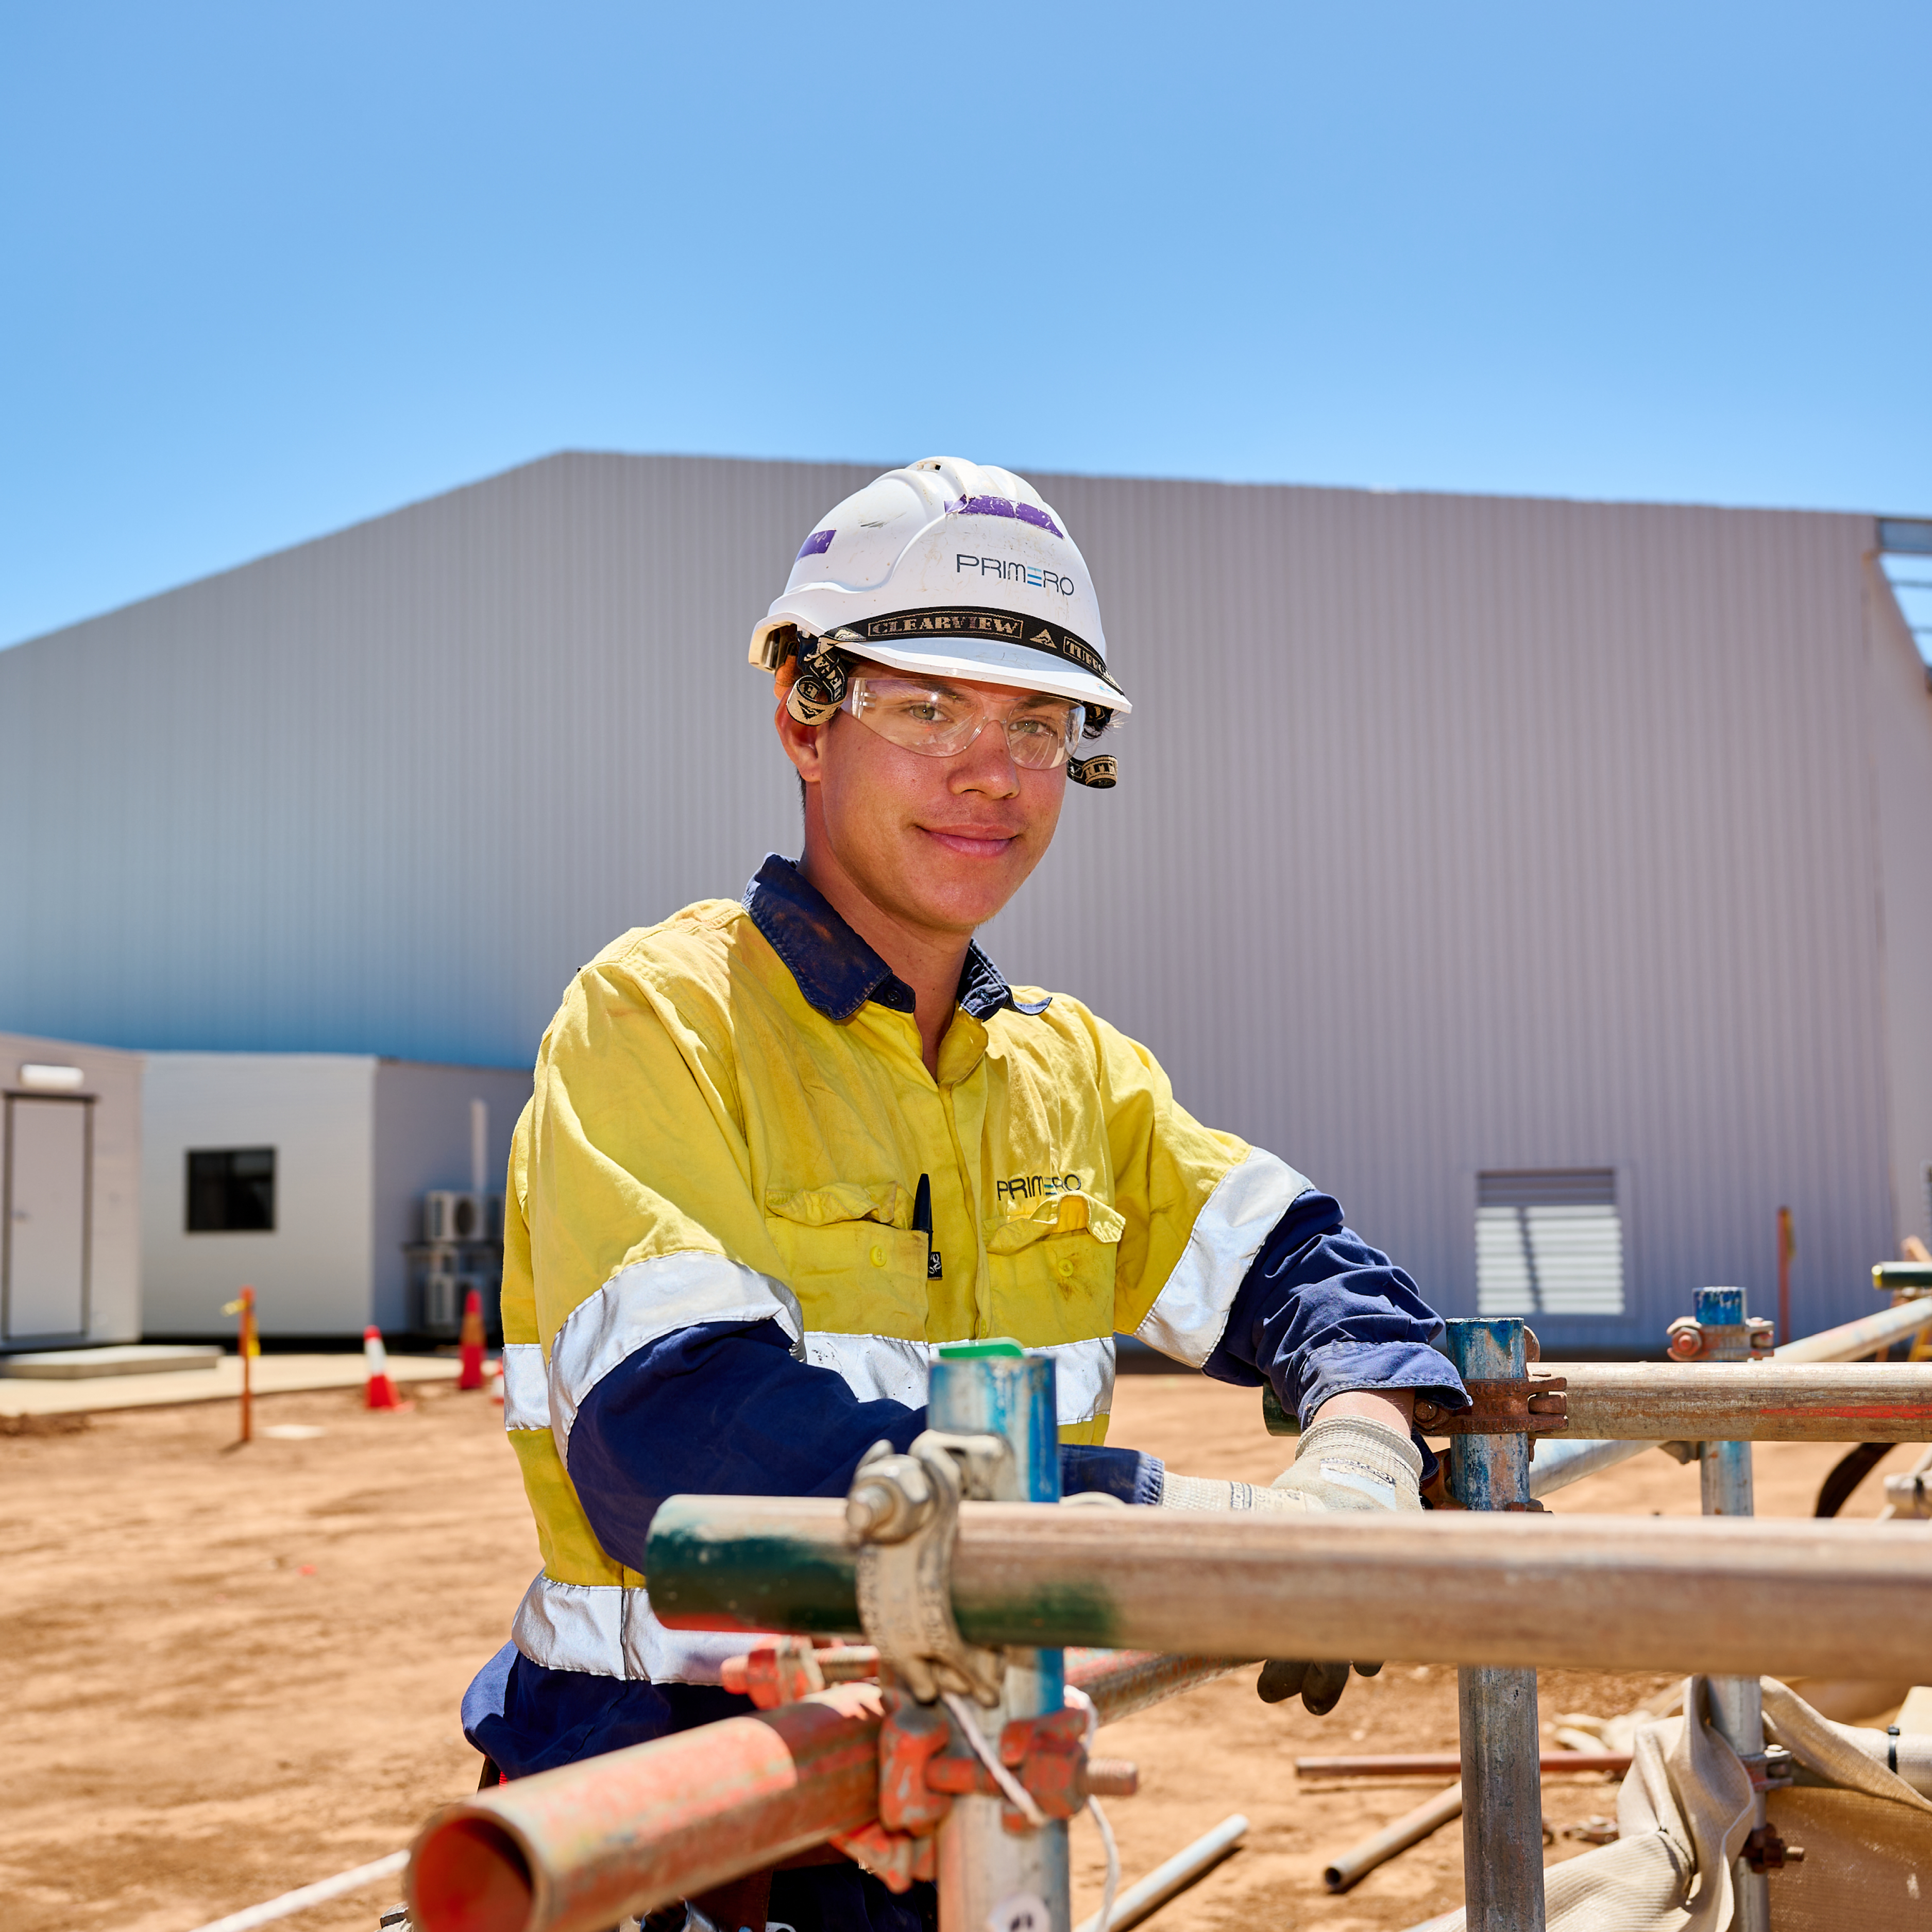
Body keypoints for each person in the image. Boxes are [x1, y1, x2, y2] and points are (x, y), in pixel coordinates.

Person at [463, 456, 1469, 1930]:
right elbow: (675, 1449)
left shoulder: (1069, 1072)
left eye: (1036, 725)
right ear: (803, 716)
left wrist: (1365, 1448)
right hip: (684, 1810)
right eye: (924, 707)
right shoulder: (660, 1018)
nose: (987, 771)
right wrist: (1169, 1533)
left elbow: (1309, 1267)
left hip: (975, 1791)